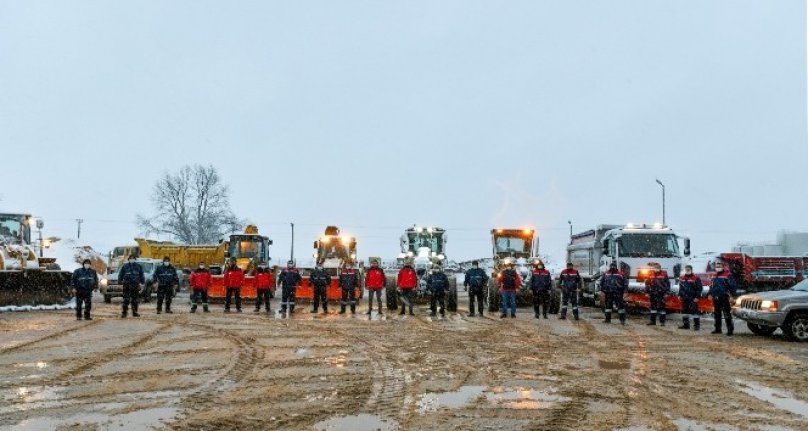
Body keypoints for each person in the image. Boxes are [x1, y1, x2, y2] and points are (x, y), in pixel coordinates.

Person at [709, 260, 737, 336]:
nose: (718, 268)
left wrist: (732, 295)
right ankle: (718, 329)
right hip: (716, 297)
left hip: (724, 297)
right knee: (717, 314)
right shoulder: (714, 275)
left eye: (719, 266)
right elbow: (711, 286)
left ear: (723, 267)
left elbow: (733, 286)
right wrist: (710, 293)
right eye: (717, 266)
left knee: (727, 314)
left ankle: (730, 330)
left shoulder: (728, 275)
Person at [678, 265, 703, 330]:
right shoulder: (682, 278)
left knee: (695, 312)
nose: (687, 270)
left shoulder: (696, 278)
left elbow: (699, 288)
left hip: (693, 298)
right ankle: (686, 325)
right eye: (686, 269)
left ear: (691, 270)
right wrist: (679, 295)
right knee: (685, 312)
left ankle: (696, 326)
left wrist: (697, 297)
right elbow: (681, 288)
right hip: (685, 298)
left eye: (688, 269)